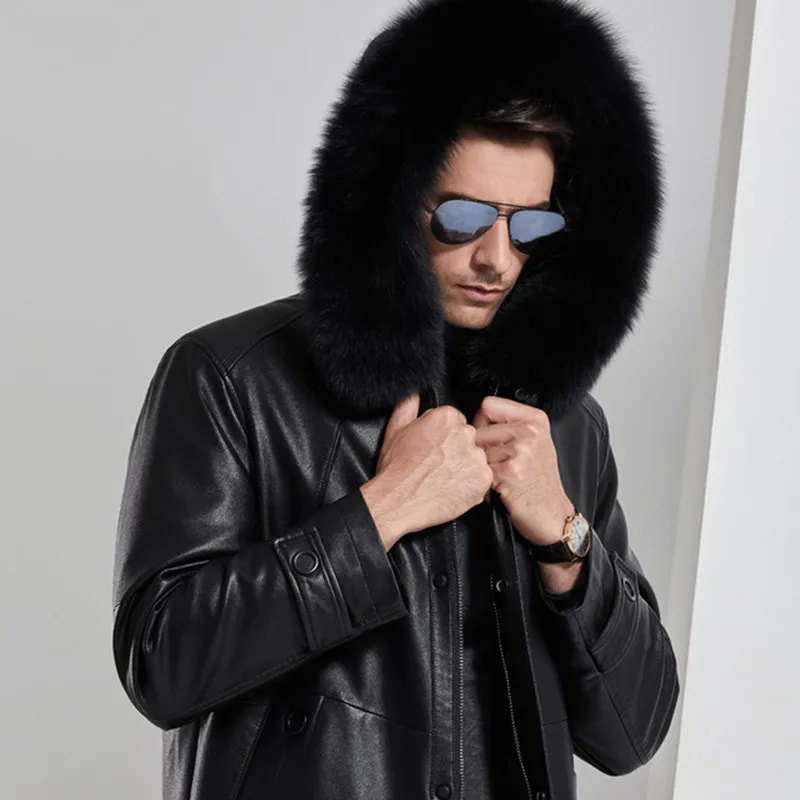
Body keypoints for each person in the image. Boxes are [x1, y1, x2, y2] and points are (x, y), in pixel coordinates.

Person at [111, 1, 680, 798]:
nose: (496, 258)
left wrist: (564, 536)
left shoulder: (562, 428)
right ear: (388, 201)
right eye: (464, 218)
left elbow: (633, 733)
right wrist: (380, 514)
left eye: (529, 228)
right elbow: (162, 665)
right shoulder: (233, 378)